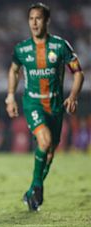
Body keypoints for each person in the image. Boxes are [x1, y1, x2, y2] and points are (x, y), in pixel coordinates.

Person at [5, 2, 84, 211]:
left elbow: (78, 72)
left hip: (56, 105)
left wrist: (74, 96)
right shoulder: (22, 49)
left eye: (38, 18)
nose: (34, 22)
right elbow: (13, 71)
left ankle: (31, 192)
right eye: (31, 18)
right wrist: (11, 96)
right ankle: (38, 187)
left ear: (47, 21)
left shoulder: (60, 46)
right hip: (33, 103)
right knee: (45, 140)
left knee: (49, 152)